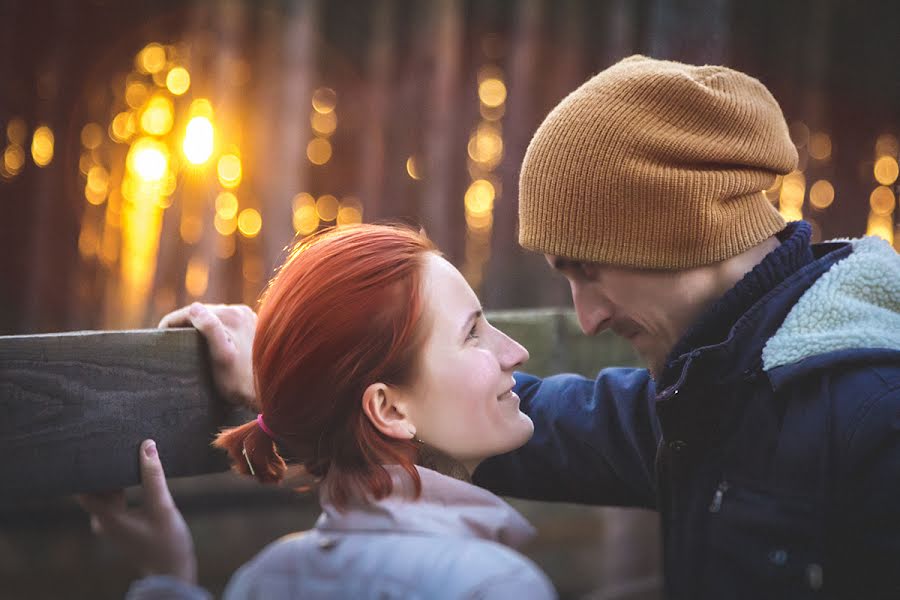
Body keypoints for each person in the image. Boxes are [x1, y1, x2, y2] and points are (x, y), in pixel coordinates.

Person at [153, 55, 899, 598]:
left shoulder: (872, 419)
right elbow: (536, 421)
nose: (588, 317)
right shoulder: (712, 396)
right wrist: (306, 373)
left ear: (682, 236)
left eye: (588, 269)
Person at [77, 224, 557, 599]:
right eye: (471, 333)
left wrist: (168, 578)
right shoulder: (497, 587)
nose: (515, 352)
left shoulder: (261, 581)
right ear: (387, 409)